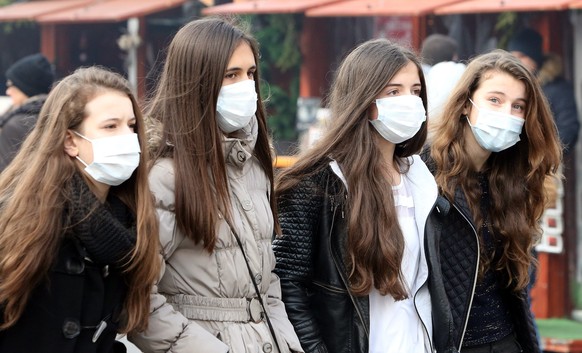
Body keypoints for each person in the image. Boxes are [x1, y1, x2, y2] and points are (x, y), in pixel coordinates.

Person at [128, 17, 303, 353]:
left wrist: (287, 342)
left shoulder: (253, 166)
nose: (246, 86)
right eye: (231, 75)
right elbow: (139, 297)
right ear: (197, 81)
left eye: (251, 74)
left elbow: (266, 281)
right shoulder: (164, 177)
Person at [273, 38, 438, 353]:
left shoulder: (426, 176)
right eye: (393, 91)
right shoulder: (316, 185)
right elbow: (288, 287)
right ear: (363, 99)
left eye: (416, 91)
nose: (410, 101)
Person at [0, 66, 160, 352]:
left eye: (132, 125)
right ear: (70, 141)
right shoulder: (22, 218)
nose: (127, 138)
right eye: (111, 126)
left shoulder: (130, 221)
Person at [424, 50, 561, 353]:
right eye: (495, 100)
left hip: (505, 338)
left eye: (518, 106)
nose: (506, 114)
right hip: (448, 342)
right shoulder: (425, 172)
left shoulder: (516, 179)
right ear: (465, 104)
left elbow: (518, 282)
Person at [507, 28, 579, 153]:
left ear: (535, 58)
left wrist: (544, 155)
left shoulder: (558, 88)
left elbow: (568, 129)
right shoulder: (509, 86)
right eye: (513, 56)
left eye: (522, 56)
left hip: (545, 162)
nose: (517, 61)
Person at [0, 53, 55, 172]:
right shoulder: (54, 114)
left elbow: (6, 174)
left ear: (27, 88)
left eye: (11, 85)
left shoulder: (16, 124)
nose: (8, 91)